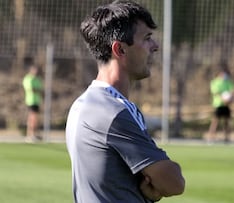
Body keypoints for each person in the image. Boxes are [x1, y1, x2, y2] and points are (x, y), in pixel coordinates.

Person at [65, 1, 185, 202]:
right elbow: (174, 182)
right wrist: (161, 179)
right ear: (119, 49)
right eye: (147, 38)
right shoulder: (111, 112)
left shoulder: (84, 103)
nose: (155, 46)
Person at [207, 65, 234, 143]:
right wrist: (223, 98)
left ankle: (227, 138)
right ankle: (211, 137)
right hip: (218, 104)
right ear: (220, 74)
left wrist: (230, 98)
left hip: (226, 105)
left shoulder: (228, 82)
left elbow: (232, 91)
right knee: (215, 121)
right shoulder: (215, 82)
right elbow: (215, 92)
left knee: (227, 121)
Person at [22, 65, 43, 143]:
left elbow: (40, 89)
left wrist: (37, 90)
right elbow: (31, 89)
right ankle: (30, 135)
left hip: (37, 101)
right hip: (31, 101)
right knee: (32, 118)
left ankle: (33, 134)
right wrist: (36, 90)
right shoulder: (28, 78)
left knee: (35, 118)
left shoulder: (37, 79)